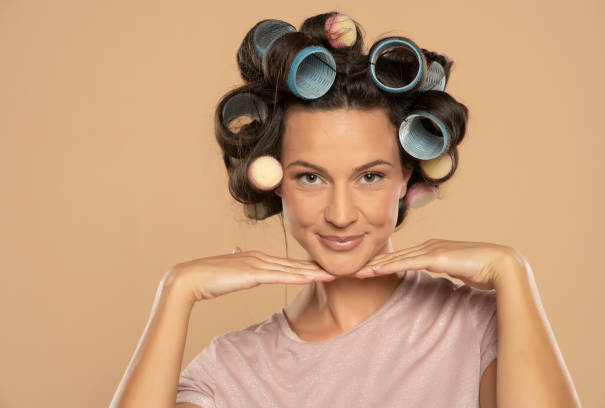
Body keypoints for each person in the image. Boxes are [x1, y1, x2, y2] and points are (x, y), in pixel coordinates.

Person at [110, 11, 581, 408]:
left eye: (370, 176)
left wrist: (512, 272)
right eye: (310, 177)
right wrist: (176, 291)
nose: (340, 214)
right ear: (276, 183)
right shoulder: (232, 371)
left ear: (407, 178)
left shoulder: (476, 324)